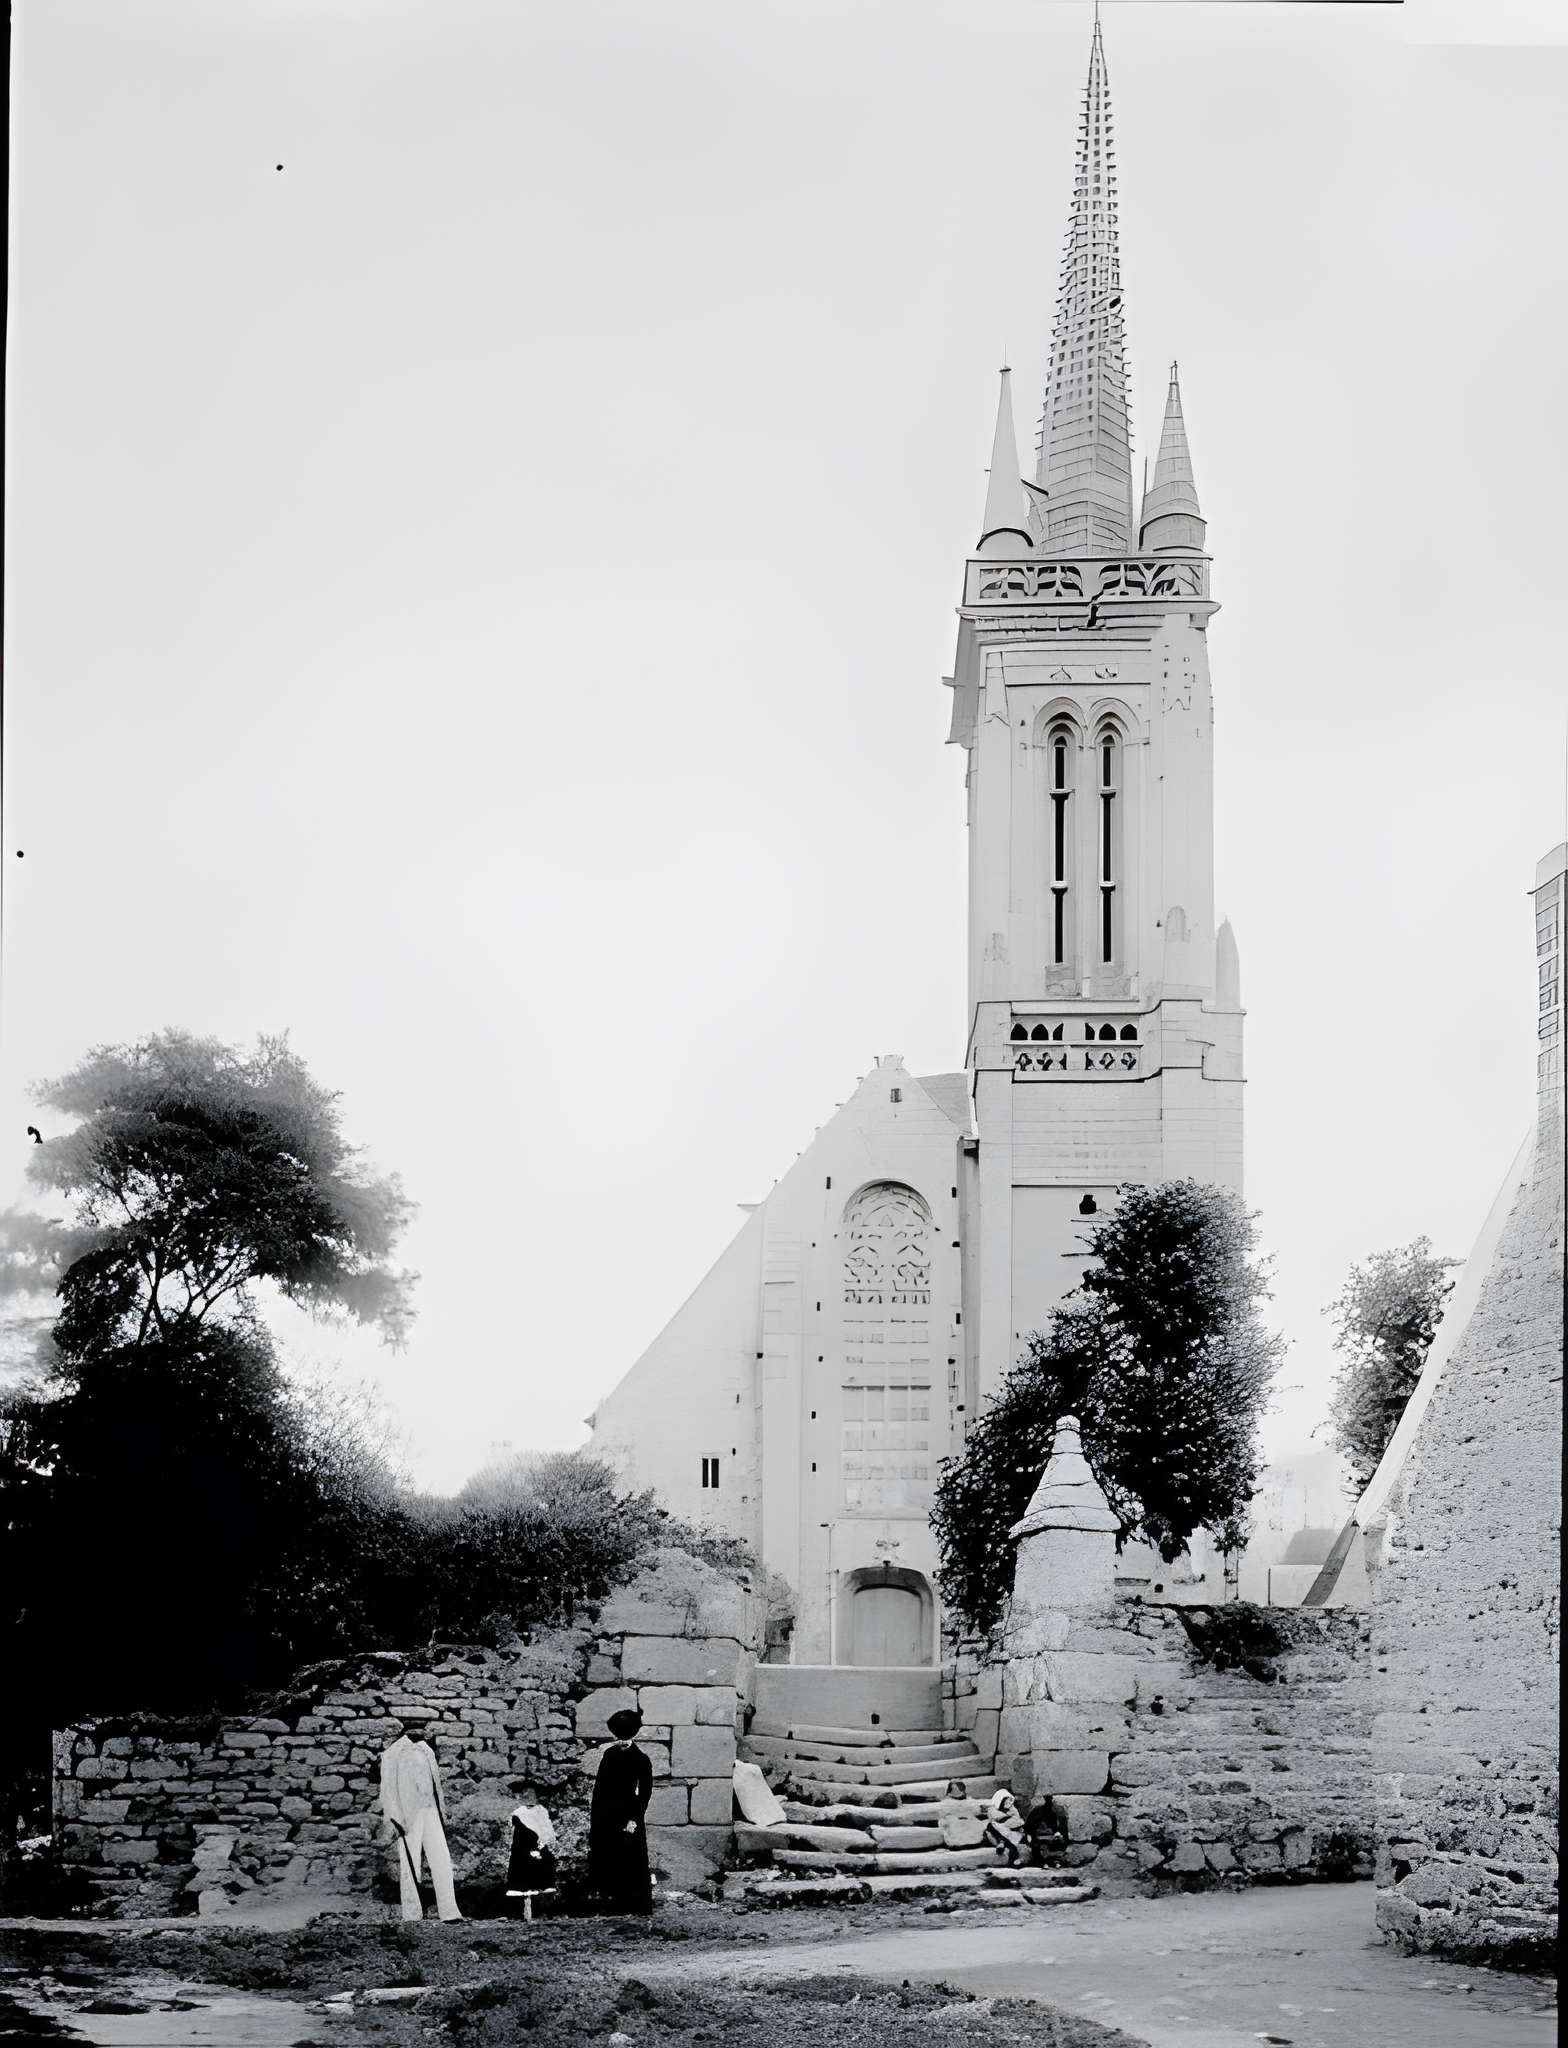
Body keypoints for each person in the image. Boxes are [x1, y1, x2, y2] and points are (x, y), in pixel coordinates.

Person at [379, 1724, 463, 1922]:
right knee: (410, 1864)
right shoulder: (393, 1754)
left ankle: (449, 1911)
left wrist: (441, 1811)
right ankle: (412, 1913)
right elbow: (388, 1789)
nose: (418, 1733)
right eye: (413, 1728)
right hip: (408, 1815)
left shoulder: (427, 1751)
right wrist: (395, 1817)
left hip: (430, 1810)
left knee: (441, 1858)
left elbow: (436, 1785)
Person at [588, 1707, 653, 1914]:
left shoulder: (641, 1759)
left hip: (628, 1813)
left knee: (631, 1858)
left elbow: (644, 1792)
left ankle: (636, 1904)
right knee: (610, 1856)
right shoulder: (609, 1754)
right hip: (607, 1813)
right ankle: (612, 1903)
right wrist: (597, 1816)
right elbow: (600, 1787)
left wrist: (634, 1818)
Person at [504, 1786, 558, 1919]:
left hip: (539, 1850)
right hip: (523, 1854)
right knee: (522, 1880)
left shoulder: (542, 1812)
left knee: (541, 1877)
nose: (529, 1797)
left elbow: (547, 1832)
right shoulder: (518, 1814)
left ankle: (540, 1912)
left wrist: (541, 1846)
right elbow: (518, 1839)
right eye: (526, 1794)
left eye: (532, 1794)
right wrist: (528, 1849)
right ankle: (523, 1913)